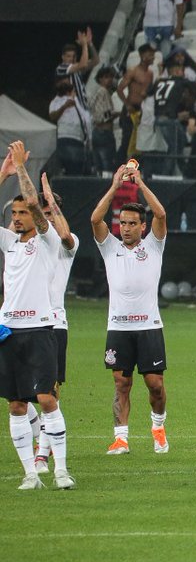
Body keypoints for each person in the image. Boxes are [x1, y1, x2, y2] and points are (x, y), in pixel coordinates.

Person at [0, 142, 75, 490]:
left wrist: (20, 169)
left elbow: (33, 201)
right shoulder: (10, 243)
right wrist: (3, 175)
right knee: (16, 404)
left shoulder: (49, 243)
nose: (16, 218)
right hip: (9, 331)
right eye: (13, 215)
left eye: (21, 214)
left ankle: (60, 470)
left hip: (41, 329)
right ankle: (31, 474)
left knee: (46, 398)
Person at [90, 163, 170, 456]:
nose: (125, 228)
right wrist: (114, 186)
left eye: (132, 223)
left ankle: (158, 427)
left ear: (142, 227)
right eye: (122, 223)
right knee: (121, 383)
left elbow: (161, 214)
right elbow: (95, 218)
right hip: (119, 327)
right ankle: (121, 438)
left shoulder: (154, 246)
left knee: (155, 385)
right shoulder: (109, 247)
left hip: (149, 326)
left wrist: (140, 183)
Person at [32, 176, 77, 475]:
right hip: (20, 322)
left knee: (49, 393)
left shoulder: (68, 243)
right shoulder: (25, 242)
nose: (45, 219)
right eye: (42, 213)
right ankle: (39, 433)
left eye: (50, 213)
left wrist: (48, 197)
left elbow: (63, 236)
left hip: (53, 323)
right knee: (20, 394)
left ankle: (43, 453)